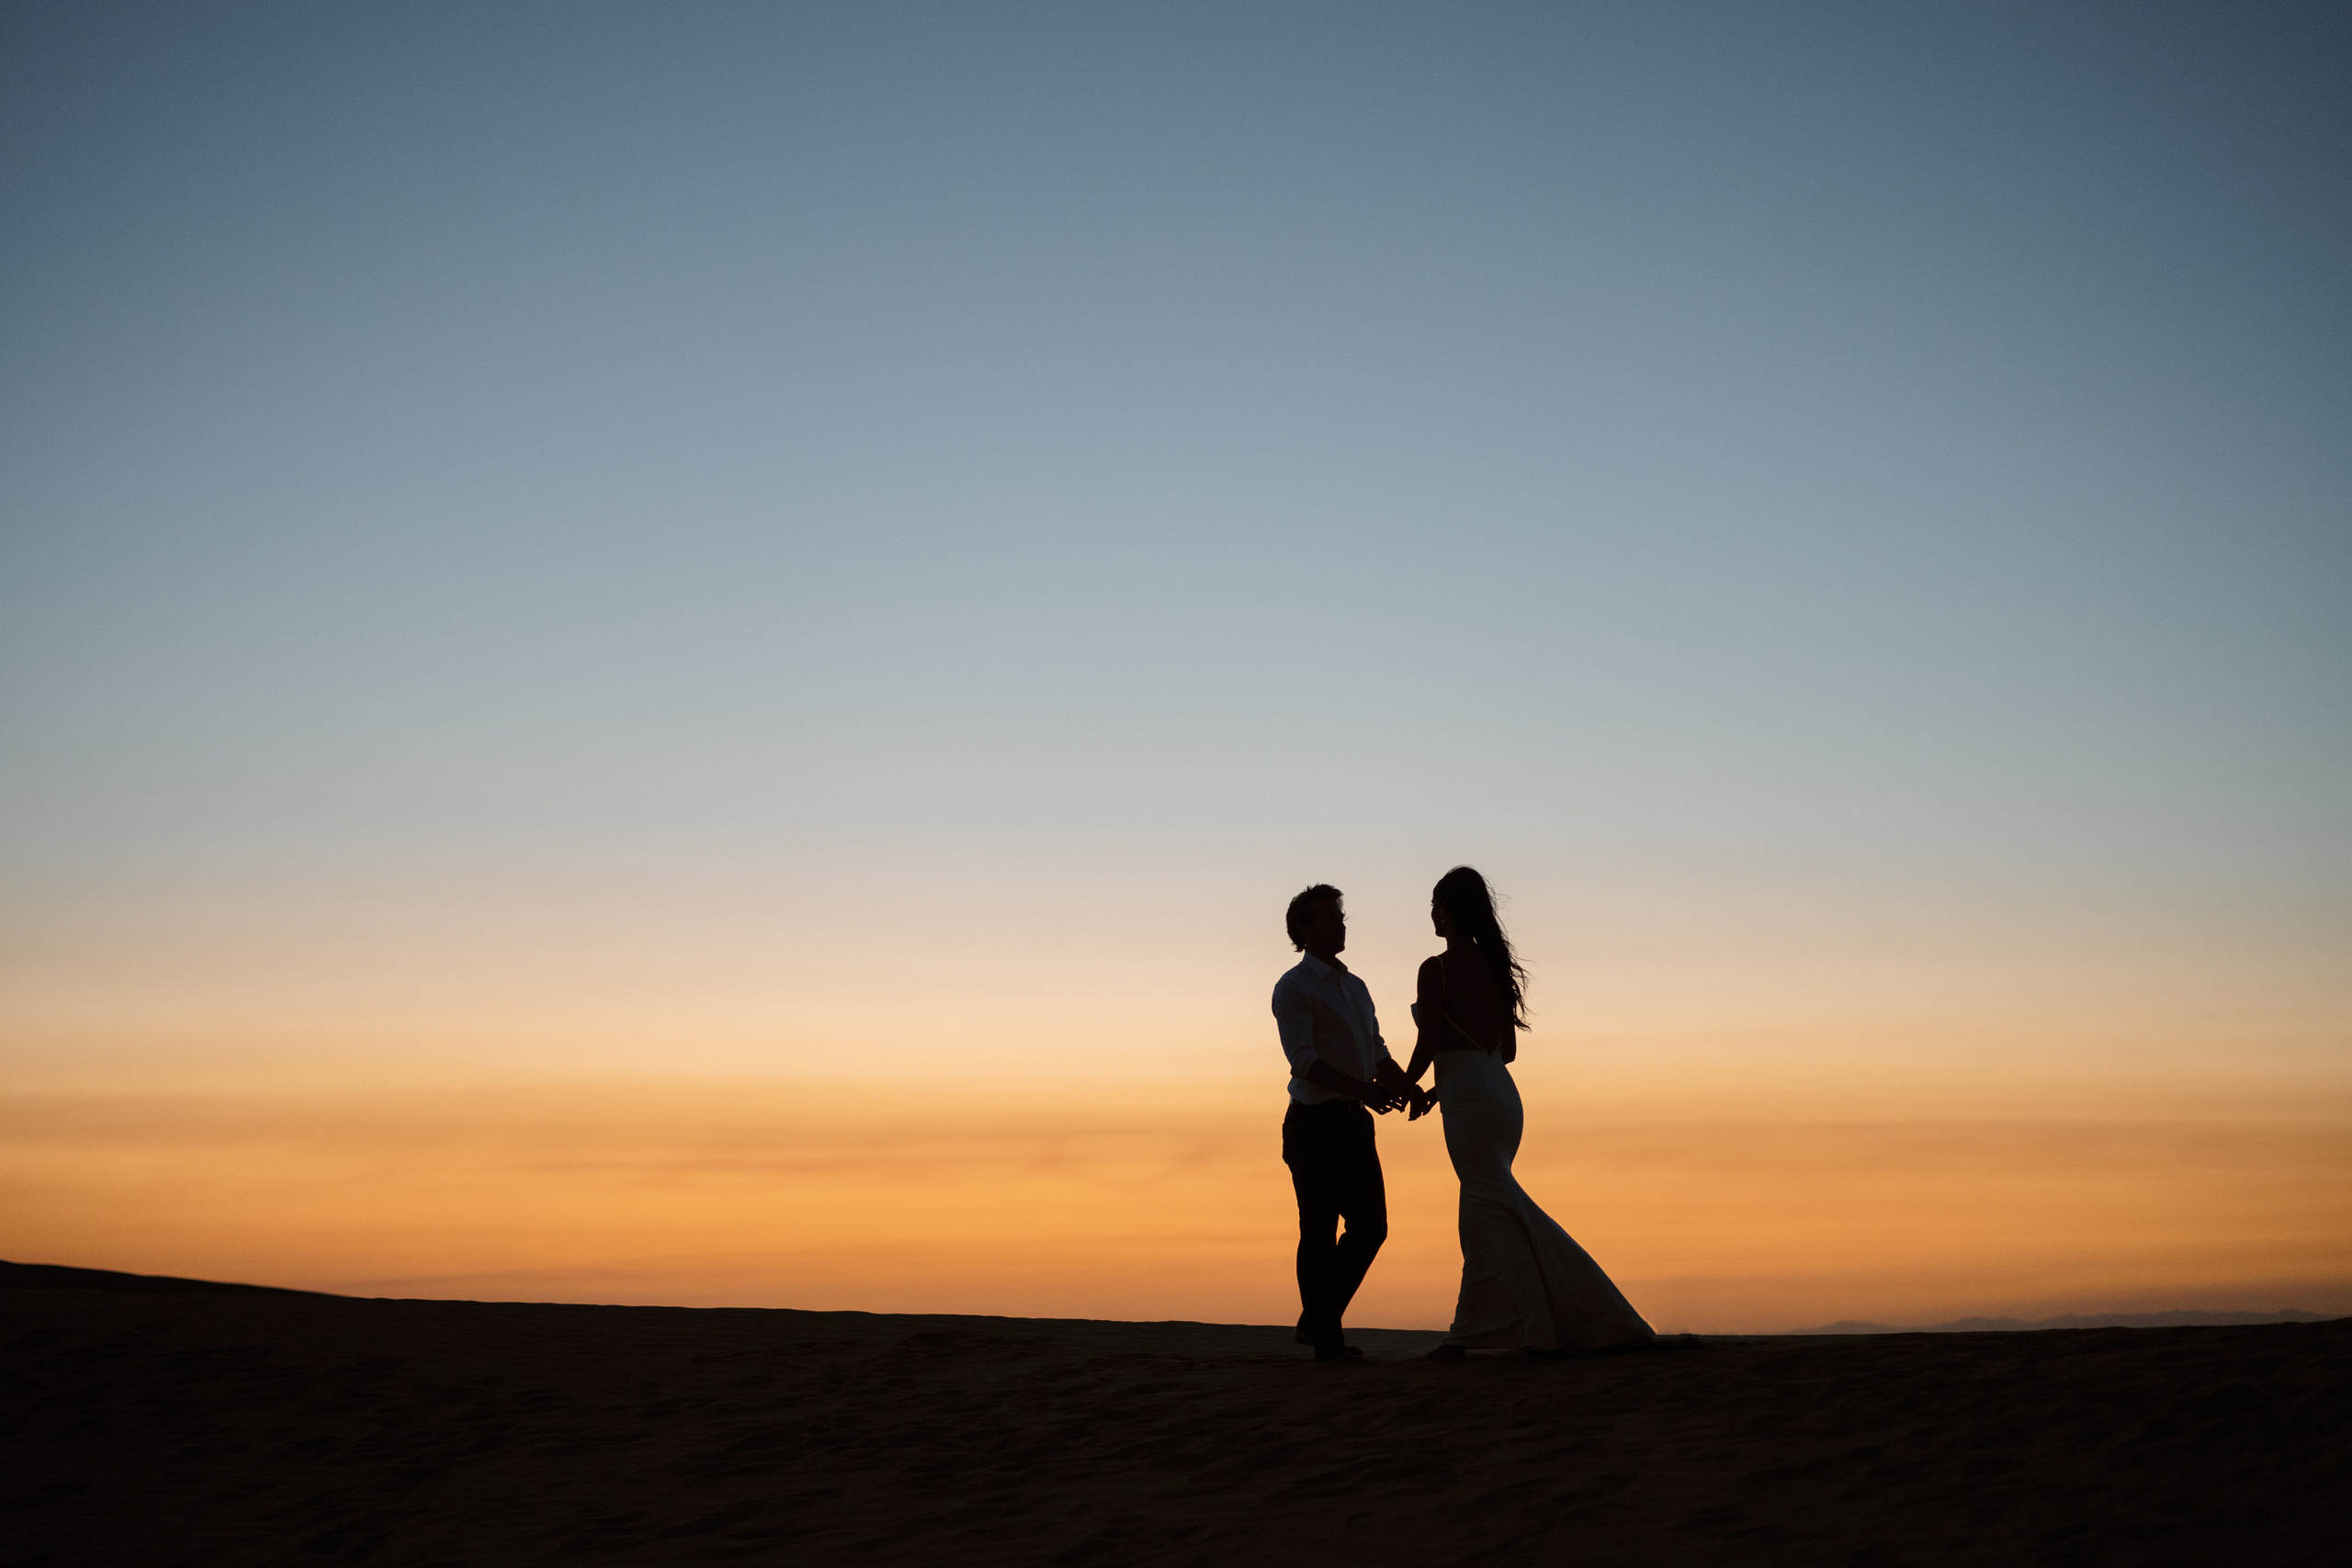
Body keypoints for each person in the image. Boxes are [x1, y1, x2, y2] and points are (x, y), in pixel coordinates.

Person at [1402, 866, 1653, 1359]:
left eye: (1436, 903)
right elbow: (1507, 1050)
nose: (1431, 912)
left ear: (1453, 910)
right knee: (1478, 1216)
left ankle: (1541, 1332)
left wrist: (1405, 1086)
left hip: (1471, 1101)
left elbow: (1428, 1042)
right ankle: (1471, 1329)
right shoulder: (1494, 969)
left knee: (1499, 1215)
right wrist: (1438, 1090)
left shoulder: (1437, 969)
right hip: (1500, 1094)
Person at [1272, 883, 1414, 1362]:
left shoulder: (1355, 987)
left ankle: (1316, 1322)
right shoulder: (1293, 987)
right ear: (1306, 930)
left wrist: (1403, 1085)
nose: (1341, 924)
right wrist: (1367, 1090)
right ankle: (1327, 1344)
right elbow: (1304, 1062)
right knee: (1318, 1231)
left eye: (1341, 916)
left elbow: (1375, 1050)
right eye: (1331, 918)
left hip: (1354, 1123)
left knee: (1371, 1227)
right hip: (1314, 1124)